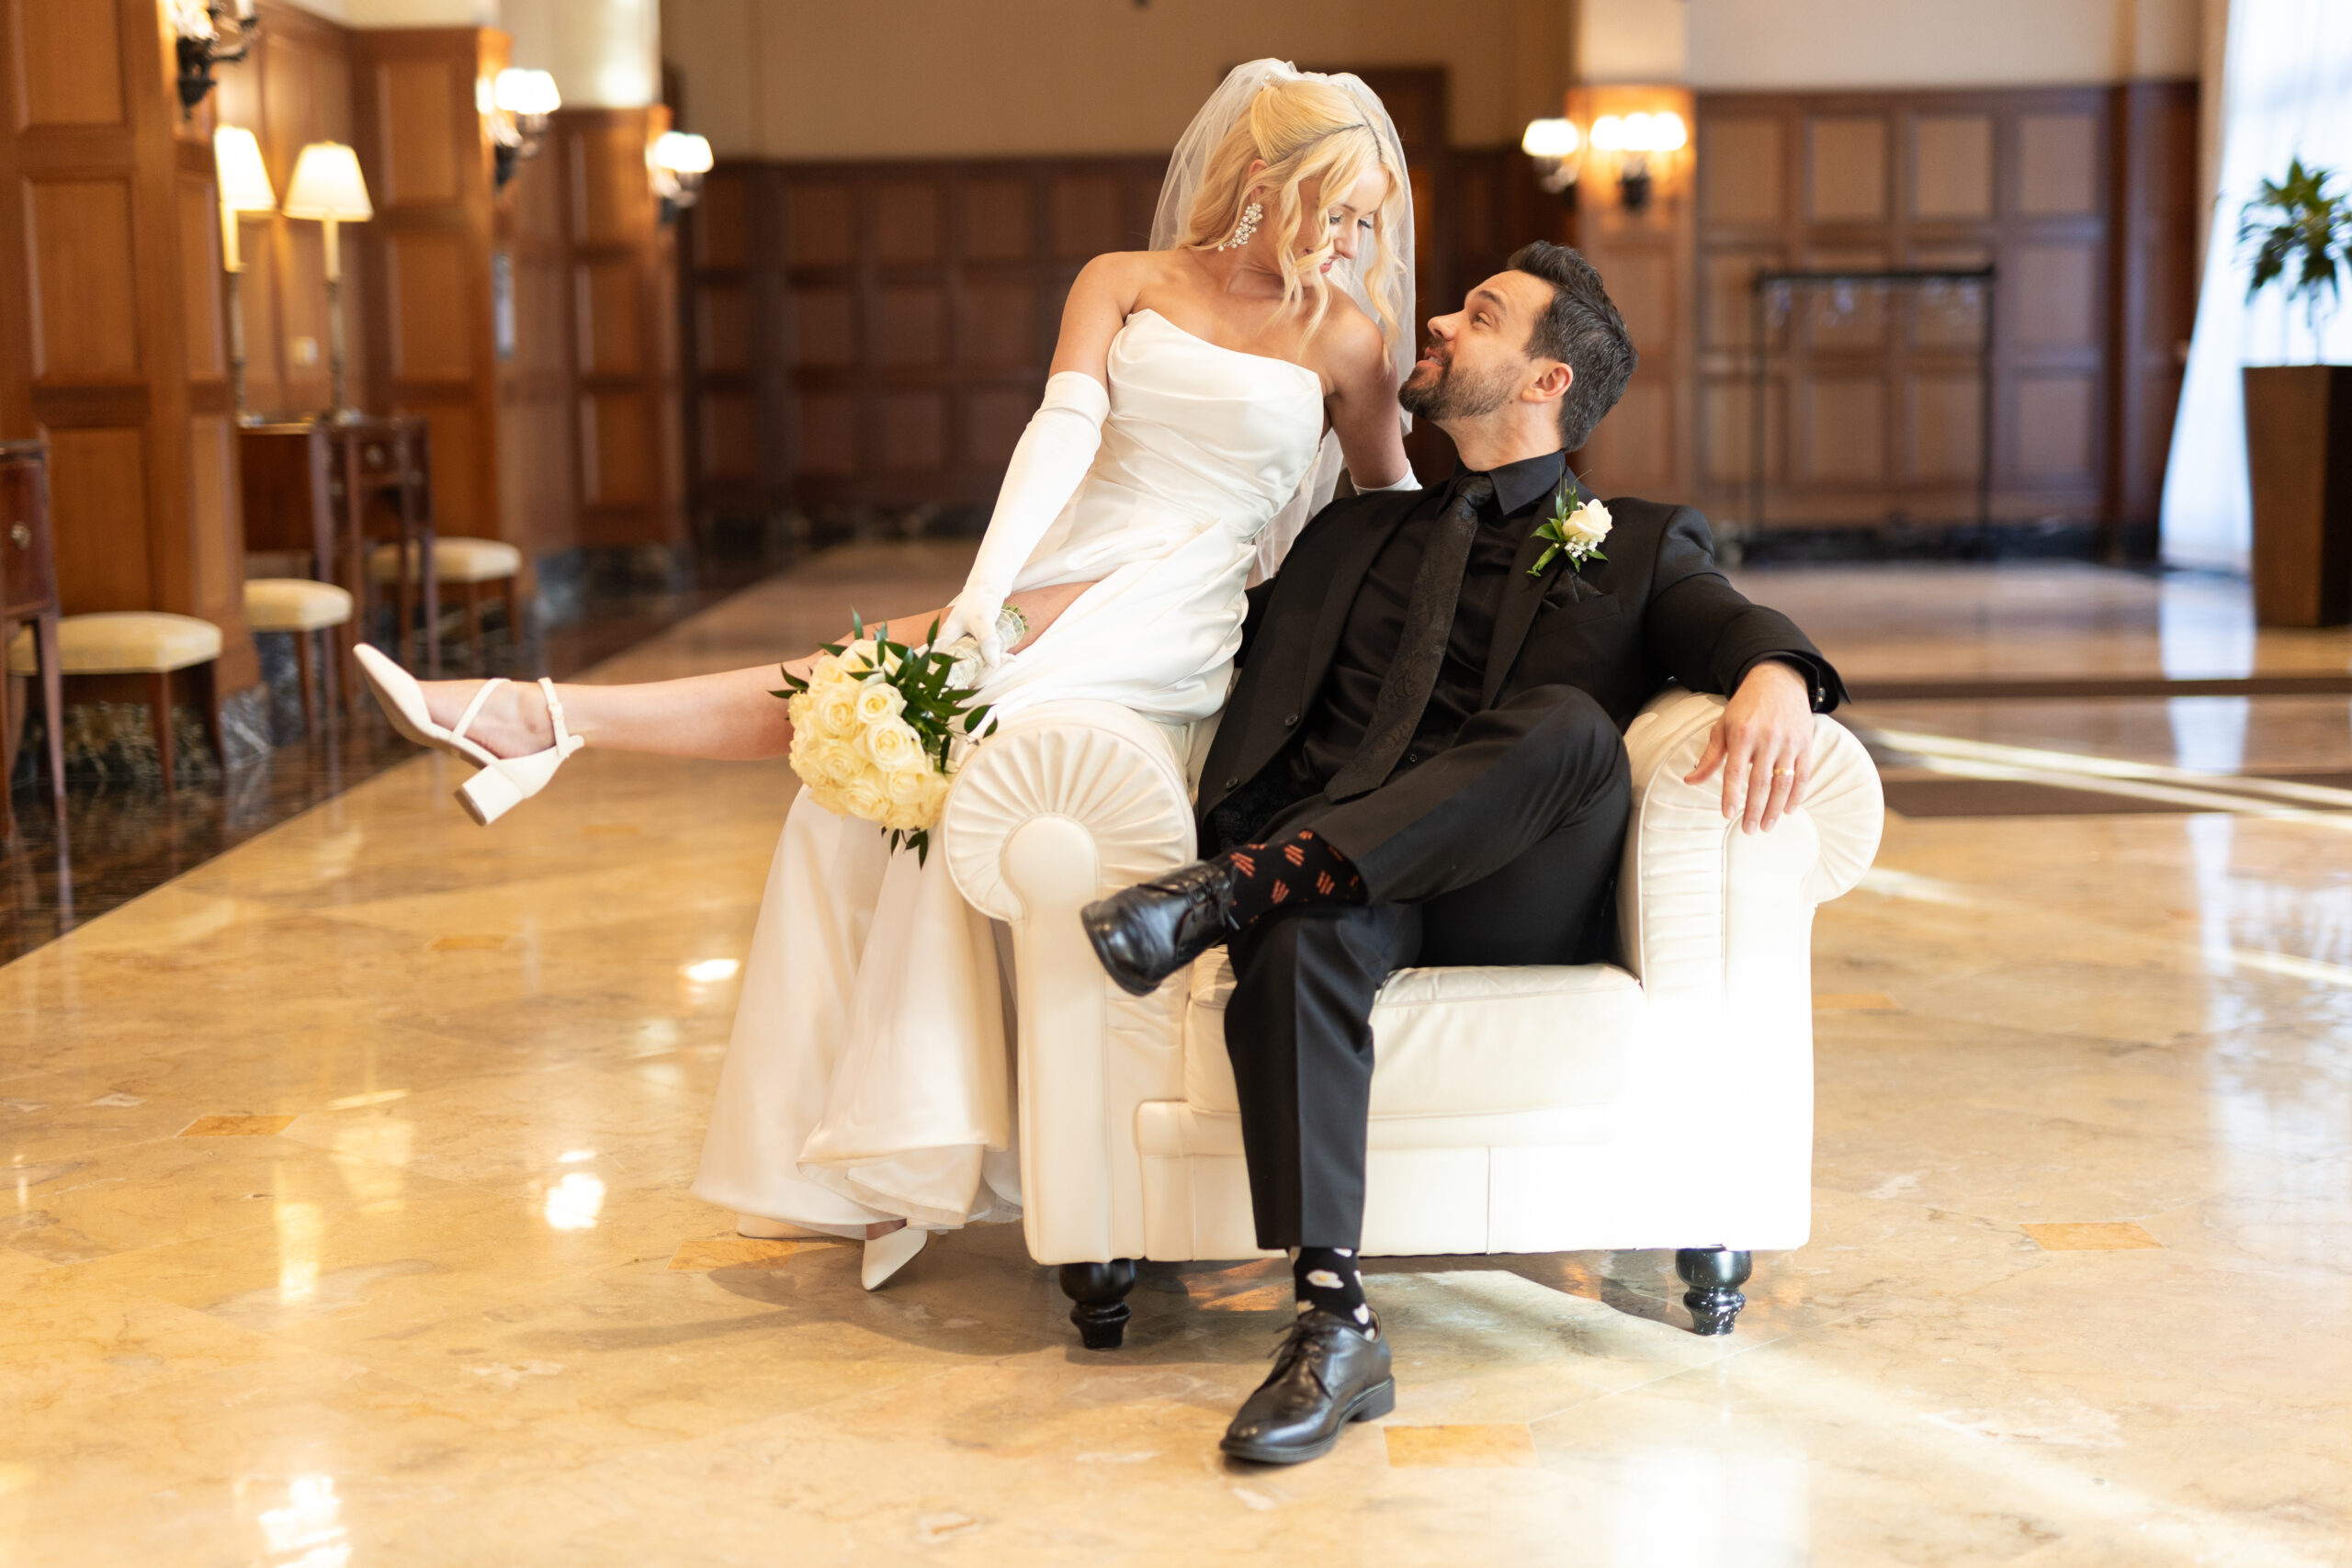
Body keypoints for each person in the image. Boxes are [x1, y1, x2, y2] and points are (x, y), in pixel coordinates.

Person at [351, 62, 1421, 1289]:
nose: (1350, 243)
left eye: (1365, 223)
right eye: (1336, 211)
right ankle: (879, 1147)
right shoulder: (1125, 285)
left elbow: (1384, 511)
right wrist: (982, 593)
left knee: (857, 699)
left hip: (1178, 607)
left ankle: (539, 720)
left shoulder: (1349, 337)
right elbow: (1063, 431)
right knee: (842, 781)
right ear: (1263, 184)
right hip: (1064, 557)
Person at [1080, 242, 1849, 1465]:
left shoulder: (1638, 542)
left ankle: (1230, 896)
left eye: (1476, 316)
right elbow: (1195, 647)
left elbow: (1732, 621)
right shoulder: (1348, 540)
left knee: (1567, 729)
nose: (1433, 320)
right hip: (1347, 872)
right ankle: (1334, 1326)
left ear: (1545, 380)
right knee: (1300, 937)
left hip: (1513, 888)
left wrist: (1775, 676)